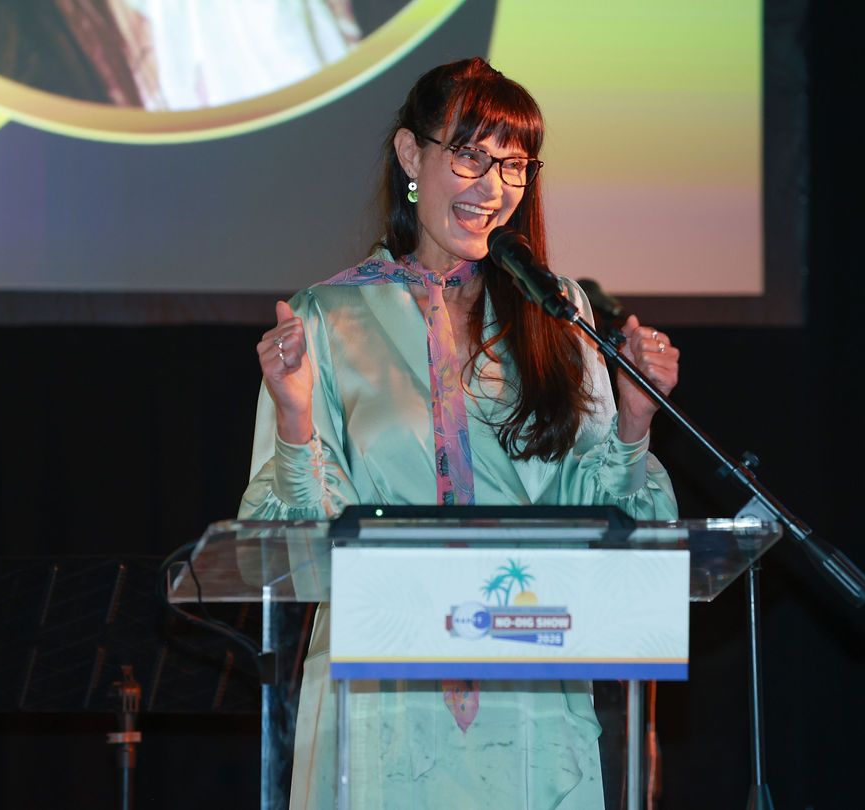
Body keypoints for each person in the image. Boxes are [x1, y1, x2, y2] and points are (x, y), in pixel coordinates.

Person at [239, 57, 681, 810]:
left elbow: (603, 526)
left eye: (514, 166)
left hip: (530, 686)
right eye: (471, 156)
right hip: (382, 694)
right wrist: (294, 418)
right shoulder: (327, 317)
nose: (493, 187)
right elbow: (291, 554)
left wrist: (635, 419)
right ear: (412, 156)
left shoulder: (556, 313)